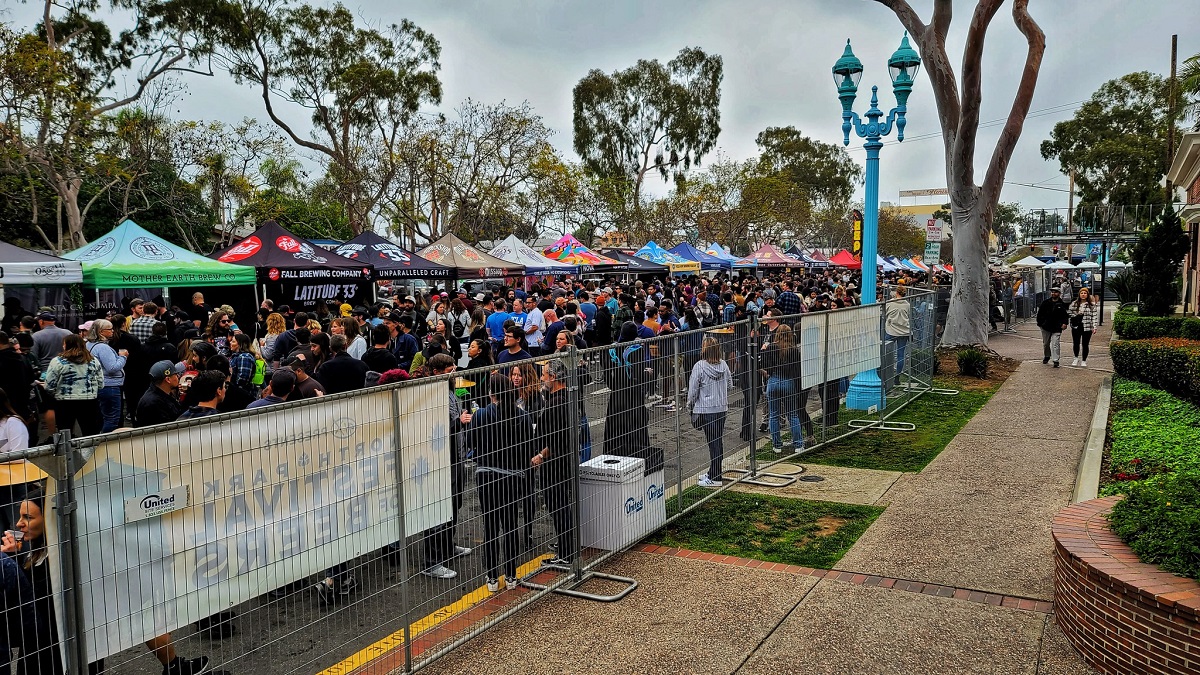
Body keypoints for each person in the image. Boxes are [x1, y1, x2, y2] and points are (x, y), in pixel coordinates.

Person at [2, 484, 211, 675]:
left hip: (65, 652)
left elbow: (33, 599)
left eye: (28, 517)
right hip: (42, 652)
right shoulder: (36, 554)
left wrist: (12, 564)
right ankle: (175, 666)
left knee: (143, 618)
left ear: (48, 520)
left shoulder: (63, 560)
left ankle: (174, 666)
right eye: (21, 516)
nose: (19, 524)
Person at [466, 372, 536, 592]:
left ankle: (492, 577)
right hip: (513, 477)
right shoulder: (523, 416)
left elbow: (471, 443)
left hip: (487, 476)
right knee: (510, 525)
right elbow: (528, 448)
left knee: (490, 525)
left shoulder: (481, 415)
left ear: (491, 393)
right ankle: (512, 574)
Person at [419, 354, 473, 579]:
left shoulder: (449, 390)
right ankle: (432, 561)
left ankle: (447, 547)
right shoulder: (429, 395)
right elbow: (431, 429)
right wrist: (457, 422)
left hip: (456, 457)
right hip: (440, 461)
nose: (454, 372)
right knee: (437, 511)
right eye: (449, 369)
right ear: (436, 372)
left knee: (454, 504)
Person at [533, 359, 578, 566]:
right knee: (561, 506)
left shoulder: (556, 404)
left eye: (544, 375)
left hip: (555, 464)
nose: (542, 379)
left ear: (554, 377)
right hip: (564, 460)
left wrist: (541, 455)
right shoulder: (567, 397)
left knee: (558, 506)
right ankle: (566, 546)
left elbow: (556, 439)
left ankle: (566, 554)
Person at [601, 322, 652, 457]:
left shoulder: (610, 349)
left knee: (615, 426)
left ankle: (614, 454)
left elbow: (607, 372)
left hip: (617, 394)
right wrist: (646, 373)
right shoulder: (636, 348)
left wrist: (614, 385)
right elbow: (638, 374)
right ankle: (637, 455)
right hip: (633, 393)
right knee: (635, 425)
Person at [689, 337, 733, 487]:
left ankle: (715, 477)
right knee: (717, 441)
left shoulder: (699, 366)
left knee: (713, 443)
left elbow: (693, 391)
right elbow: (730, 385)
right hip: (721, 408)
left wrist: (691, 405)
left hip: (706, 409)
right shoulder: (724, 365)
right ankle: (713, 471)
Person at [760, 323, 808, 454]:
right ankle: (798, 444)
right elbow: (797, 371)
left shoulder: (770, 348)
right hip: (788, 381)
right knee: (792, 414)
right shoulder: (793, 351)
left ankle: (777, 445)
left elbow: (765, 365)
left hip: (773, 381)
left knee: (773, 415)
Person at [44, 334, 104, 437]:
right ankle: (91, 452)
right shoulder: (93, 361)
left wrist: (55, 392)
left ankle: (68, 452)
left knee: (65, 433)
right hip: (89, 401)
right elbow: (101, 383)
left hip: (64, 401)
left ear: (66, 345)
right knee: (90, 433)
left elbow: (49, 385)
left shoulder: (57, 361)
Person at [136, 361, 185, 427]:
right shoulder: (153, 403)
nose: (178, 376)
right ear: (168, 379)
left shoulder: (162, 393)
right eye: (175, 374)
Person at [884, 286, 912, 387]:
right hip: (904, 331)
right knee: (901, 354)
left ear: (896, 293)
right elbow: (909, 315)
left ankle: (885, 375)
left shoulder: (889, 303)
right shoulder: (907, 304)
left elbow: (885, 314)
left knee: (886, 353)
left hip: (891, 330)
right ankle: (897, 376)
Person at [1036, 287, 1069, 368]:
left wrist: (1065, 323)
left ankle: (1056, 360)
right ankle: (1047, 355)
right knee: (1046, 344)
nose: (1053, 293)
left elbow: (1065, 315)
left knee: (1055, 343)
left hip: (1057, 327)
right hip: (1046, 326)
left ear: (1059, 293)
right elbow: (1040, 313)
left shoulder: (1062, 304)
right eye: (1052, 292)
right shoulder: (1045, 303)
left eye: (1055, 292)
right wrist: (1041, 323)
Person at [1069, 287, 1099, 367]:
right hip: (1077, 326)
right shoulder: (1074, 303)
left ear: (1087, 294)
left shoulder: (1091, 305)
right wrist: (1076, 316)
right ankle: (1075, 358)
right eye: (1081, 293)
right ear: (1079, 294)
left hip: (1087, 326)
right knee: (1076, 343)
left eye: (1085, 293)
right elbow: (1070, 313)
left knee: (1085, 344)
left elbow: (1094, 316)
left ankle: (1084, 360)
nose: (1083, 295)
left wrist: (1094, 326)